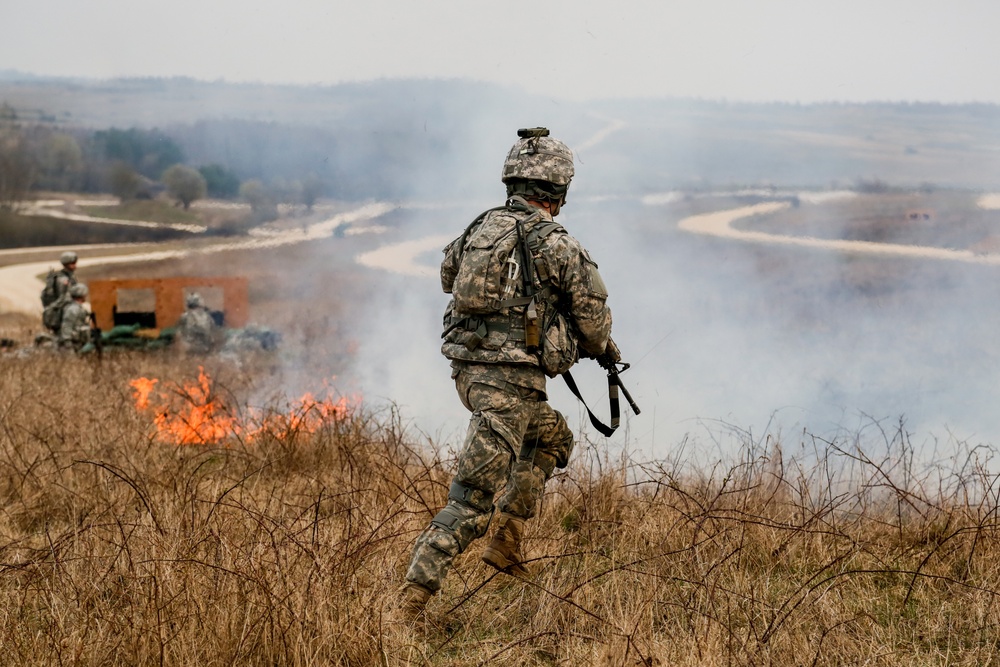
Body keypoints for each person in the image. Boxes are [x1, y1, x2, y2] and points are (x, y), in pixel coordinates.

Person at [399, 128, 614, 622]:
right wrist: (593, 345)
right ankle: (405, 609)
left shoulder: (481, 226)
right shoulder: (559, 243)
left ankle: (507, 542)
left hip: (470, 374)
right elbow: (595, 322)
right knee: (470, 500)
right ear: (558, 192)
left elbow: (447, 276)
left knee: (552, 436)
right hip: (509, 384)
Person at [41, 251, 79, 333]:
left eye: (75, 263)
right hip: (62, 312)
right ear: (66, 264)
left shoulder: (70, 276)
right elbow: (64, 297)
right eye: (72, 263)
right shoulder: (63, 279)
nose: (75, 265)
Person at [58, 283, 92, 352]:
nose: (86, 296)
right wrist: (68, 343)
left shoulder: (79, 307)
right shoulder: (73, 309)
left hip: (78, 341)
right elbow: (67, 325)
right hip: (73, 343)